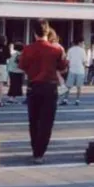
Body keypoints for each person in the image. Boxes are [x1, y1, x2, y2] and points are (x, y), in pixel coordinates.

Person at [19, 19, 68, 164]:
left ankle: (35, 150)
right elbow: (63, 68)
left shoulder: (28, 49)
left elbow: (22, 66)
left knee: (33, 120)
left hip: (33, 86)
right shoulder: (56, 50)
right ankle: (40, 152)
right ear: (48, 31)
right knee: (46, 122)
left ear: (34, 33)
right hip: (50, 87)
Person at [61, 37, 87, 106]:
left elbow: (67, 60)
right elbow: (84, 62)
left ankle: (65, 100)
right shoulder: (82, 50)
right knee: (79, 87)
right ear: (79, 43)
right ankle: (77, 100)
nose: (83, 44)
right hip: (80, 71)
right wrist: (84, 69)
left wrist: (68, 67)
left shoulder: (70, 50)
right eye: (82, 43)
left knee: (68, 86)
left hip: (72, 70)